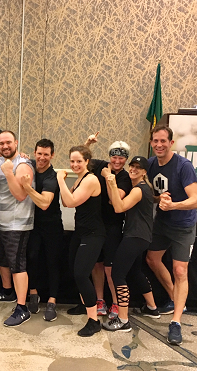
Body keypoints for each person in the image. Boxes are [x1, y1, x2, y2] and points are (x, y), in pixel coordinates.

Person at [146, 125, 197, 345]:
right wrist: (160, 202)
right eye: (155, 141)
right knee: (152, 259)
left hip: (183, 225)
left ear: (171, 143)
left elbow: (196, 200)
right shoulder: (150, 164)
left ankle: (176, 322)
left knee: (180, 270)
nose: (159, 145)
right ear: (151, 144)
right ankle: (173, 297)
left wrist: (174, 205)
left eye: (163, 141)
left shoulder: (183, 166)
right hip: (162, 223)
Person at [73, 132, 131, 319]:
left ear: (126, 159)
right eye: (114, 156)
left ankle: (115, 302)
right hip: (96, 225)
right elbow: (81, 158)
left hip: (113, 226)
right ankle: (99, 300)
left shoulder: (124, 178)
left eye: (121, 157)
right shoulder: (99, 165)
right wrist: (88, 142)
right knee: (95, 265)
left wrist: (109, 178)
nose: (117, 160)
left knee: (110, 268)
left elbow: (116, 200)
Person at [102, 156, 161, 332]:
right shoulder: (143, 188)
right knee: (135, 272)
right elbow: (116, 202)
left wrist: (110, 180)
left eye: (138, 167)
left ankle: (123, 319)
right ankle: (152, 307)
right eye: (132, 166)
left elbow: (118, 207)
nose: (133, 169)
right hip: (141, 236)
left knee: (118, 275)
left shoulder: (138, 190)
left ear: (144, 172)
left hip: (135, 237)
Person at [0, 130, 35, 327]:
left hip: (17, 224)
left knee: (17, 265)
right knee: (1, 260)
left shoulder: (23, 165)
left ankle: (22, 308)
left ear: (16, 143)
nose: (5, 146)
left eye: (8, 143)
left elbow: (21, 195)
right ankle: (7, 292)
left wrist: (8, 173)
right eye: (1, 143)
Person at [57, 145, 105, 337]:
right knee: (73, 268)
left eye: (79, 161)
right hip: (80, 232)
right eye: (72, 161)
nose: (75, 164)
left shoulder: (91, 179)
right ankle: (84, 303)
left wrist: (61, 180)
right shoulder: (80, 178)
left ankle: (93, 321)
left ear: (87, 162)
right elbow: (65, 201)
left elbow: (70, 202)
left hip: (93, 234)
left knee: (81, 274)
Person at [21, 139, 64, 321]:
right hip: (31, 225)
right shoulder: (28, 166)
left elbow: (45, 203)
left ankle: (52, 301)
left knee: (52, 262)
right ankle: (33, 294)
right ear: (35, 152)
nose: (42, 158)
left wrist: (27, 188)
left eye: (46, 154)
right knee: (31, 258)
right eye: (39, 153)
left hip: (51, 225)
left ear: (52, 155)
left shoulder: (51, 176)